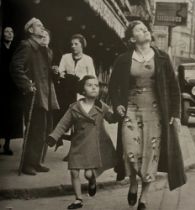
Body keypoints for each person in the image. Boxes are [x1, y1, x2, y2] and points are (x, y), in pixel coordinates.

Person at [109, 20, 186, 210]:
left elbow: (174, 88)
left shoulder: (162, 58)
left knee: (151, 154)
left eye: (146, 28)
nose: (146, 30)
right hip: (131, 110)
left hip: (156, 112)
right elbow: (114, 86)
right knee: (131, 150)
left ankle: (144, 197)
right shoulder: (123, 59)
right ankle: (134, 181)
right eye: (140, 29)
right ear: (132, 38)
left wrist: (175, 114)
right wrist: (118, 104)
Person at [46, 75, 117, 209]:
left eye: (96, 85)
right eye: (89, 85)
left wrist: (119, 113)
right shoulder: (75, 107)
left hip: (92, 145)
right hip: (78, 144)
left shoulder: (102, 106)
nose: (94, 87)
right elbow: (63, 124)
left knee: (88, 173)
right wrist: (54, 136)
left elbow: (112, 118)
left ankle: (92, 181)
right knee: (74, 172)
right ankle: (78, 199)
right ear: (82, 90)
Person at [10, 18, 59, 175]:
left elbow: (45, 70)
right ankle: (27, 165)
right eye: (38, 25)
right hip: (33, 95)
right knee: (33, 130)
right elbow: (15, 67)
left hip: (44, 94)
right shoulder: (27, 45)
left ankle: (36, 162)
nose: (42, 27)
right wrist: (27, 84)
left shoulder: (42, 48)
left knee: (42, 130)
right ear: (30, 30)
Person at [56, 33, 96, 161]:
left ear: (82, 45)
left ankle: (74, 152)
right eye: (71, 44)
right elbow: (61, 73)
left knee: (80, 124)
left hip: (81, 94)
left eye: (76, 44)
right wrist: (60, 74)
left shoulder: (88, 59)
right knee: (68, 120)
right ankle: (69, 148)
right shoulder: (65, 57)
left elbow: (92, 77)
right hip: (67, 93)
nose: (73, 46)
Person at [0, 26, 23, 155]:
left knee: (10, 114)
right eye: (6, 32)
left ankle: (7, 145)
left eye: (11, 32)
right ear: (2, 34)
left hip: (12, 87)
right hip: (1, 85)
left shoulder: (16, 50)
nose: (9, 34)